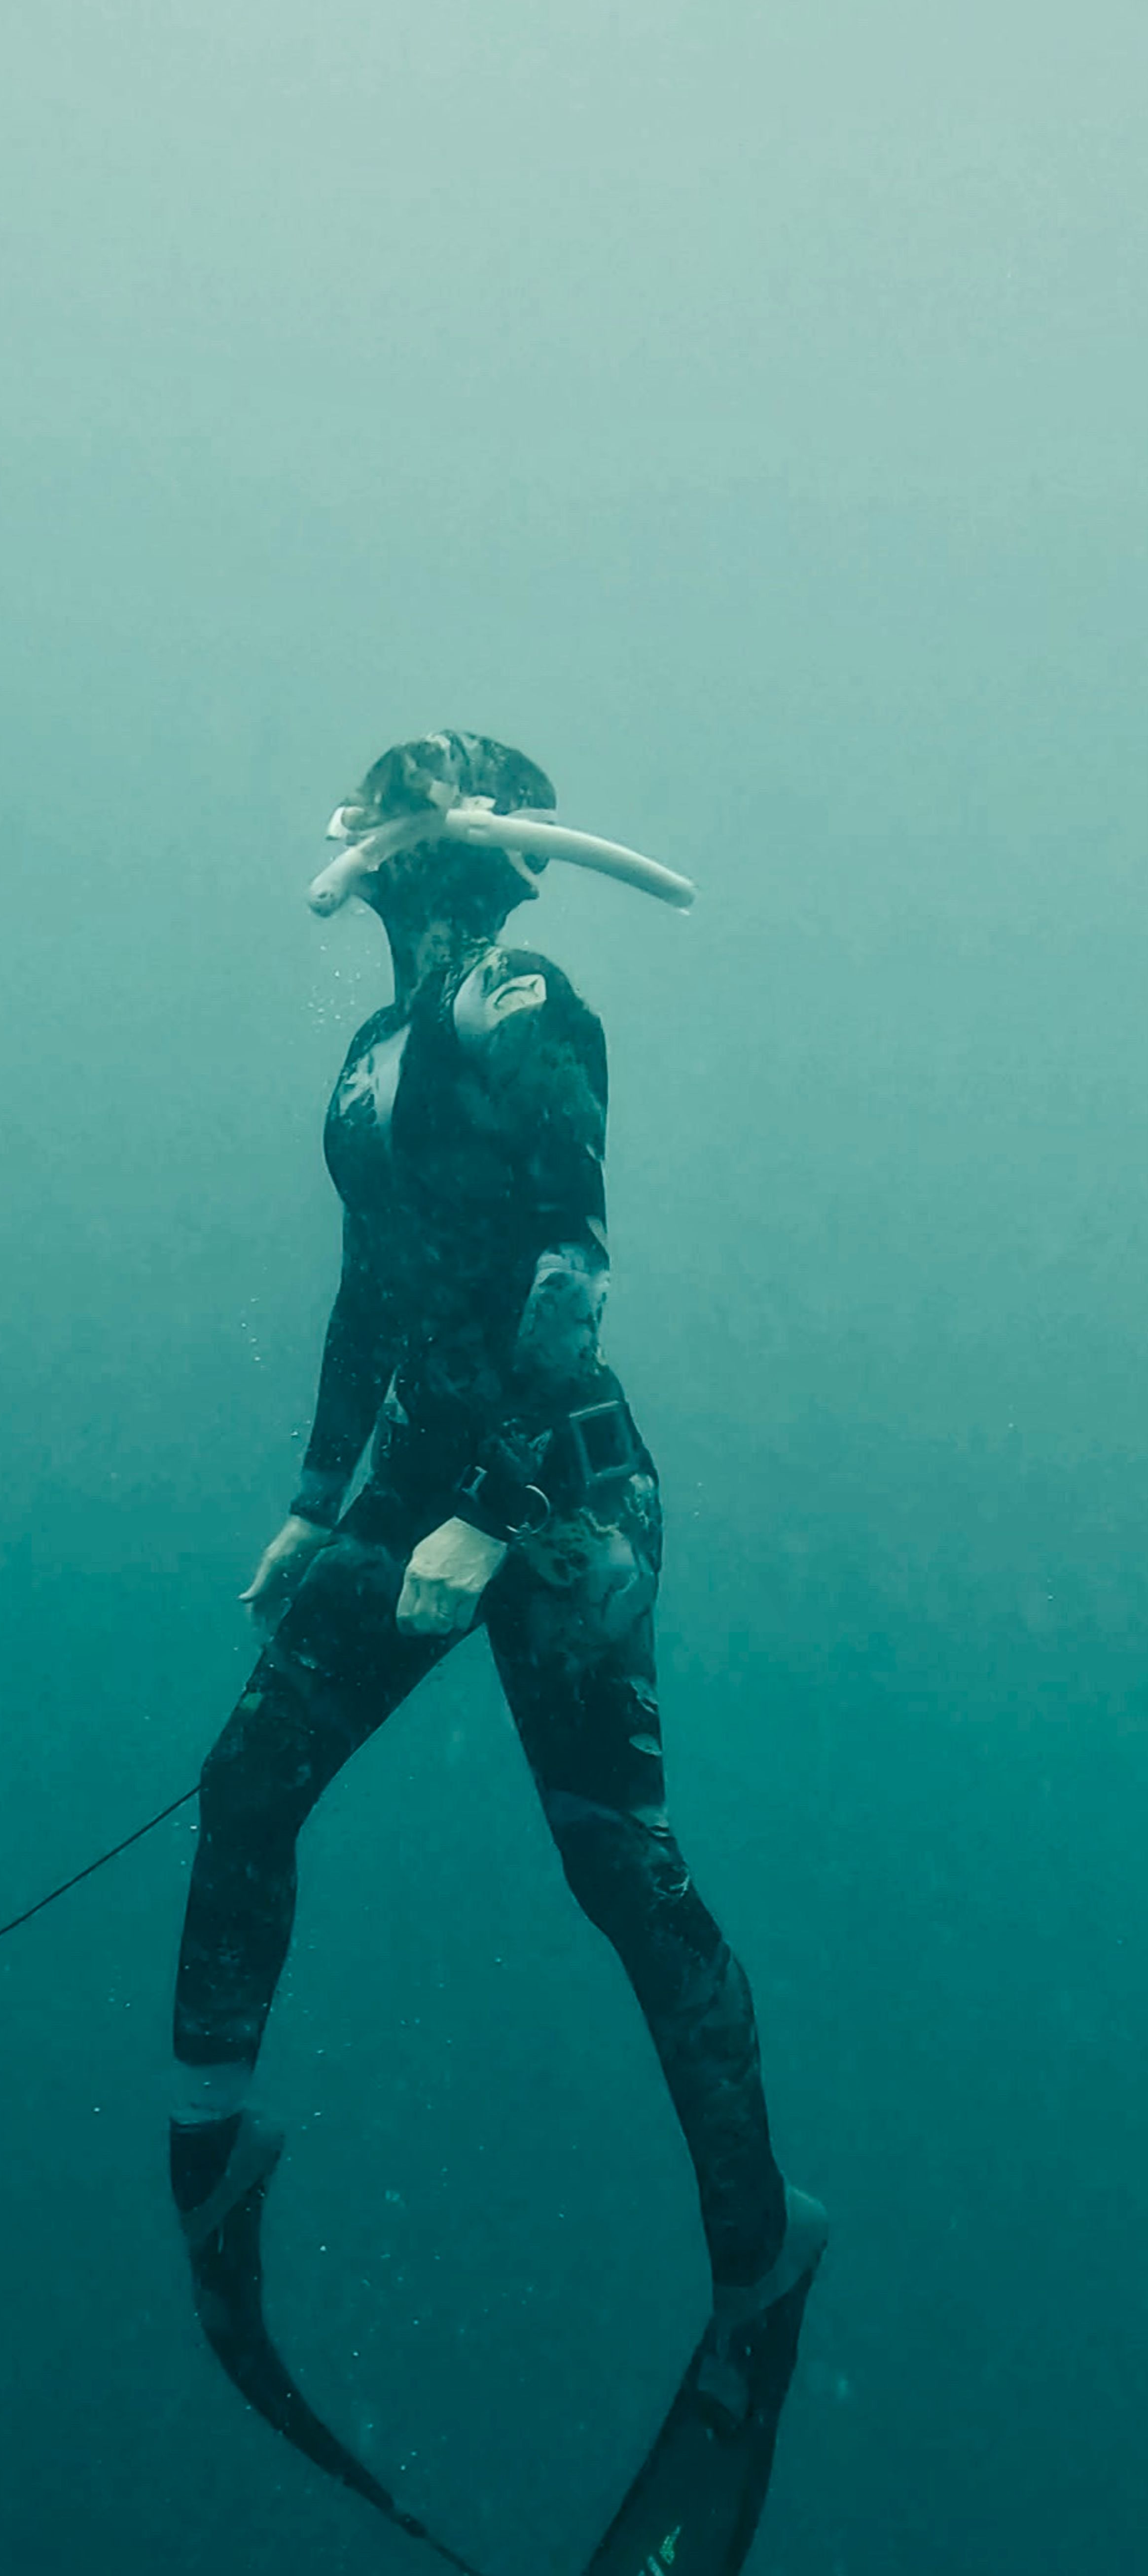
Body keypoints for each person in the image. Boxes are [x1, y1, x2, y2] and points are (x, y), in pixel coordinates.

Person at [169, 732, 824, 2476]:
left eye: (398, 835)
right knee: (247, 1785)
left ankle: (760, 2254)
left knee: (620, 1862)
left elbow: (569, 1266)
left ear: (467, 856)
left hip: (564, 1504)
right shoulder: (378, 1051)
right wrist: (323, 1504)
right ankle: (208, 2170)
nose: (372, 863)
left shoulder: (523, 998)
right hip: (427, 1493)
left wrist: (476, 1507)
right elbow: (371, 1292)